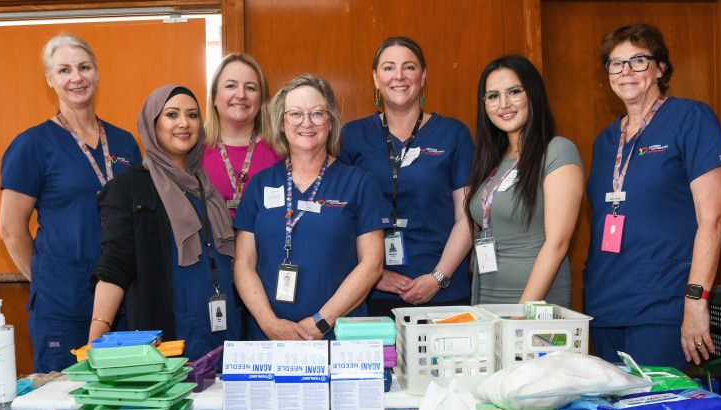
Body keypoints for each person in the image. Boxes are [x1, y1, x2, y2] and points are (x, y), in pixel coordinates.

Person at [584, 23, 721, 369]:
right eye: (615, 62)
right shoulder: (606, 140)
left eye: (638, 60)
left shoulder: (690, 119)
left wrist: (696, 301)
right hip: (606, 304)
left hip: (662, 304)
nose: (626, 71)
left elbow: (715, 219)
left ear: (660, 68)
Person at [0, 33, 141, 373]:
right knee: (64, 404)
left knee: (124, 401)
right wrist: (49, 281)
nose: (76, 77)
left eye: (84, 67)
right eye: (64, 70)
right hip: (63, 307)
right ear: (50, 79)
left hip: (122, 301)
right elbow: (10, 229)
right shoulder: (31, 145)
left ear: (97, 73)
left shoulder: (124, 143)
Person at [89, 85, 241, 360]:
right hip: (168, 340)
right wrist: (96, 336)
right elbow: (114, 266)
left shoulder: (207, 188)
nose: (184, 123)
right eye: (172, 114)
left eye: (193, 115)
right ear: (152, 124)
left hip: (224, 332)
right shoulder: (130, 188)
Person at [234, 74, 390, 341]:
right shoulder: (260, 184)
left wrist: (321, 321)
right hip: (268, 337)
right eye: (295, 114)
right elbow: (244, 264)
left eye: (317, 113)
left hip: (337, 334)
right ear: (282, 123)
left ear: (330, 122)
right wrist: (270, 324)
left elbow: (372, 265)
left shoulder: (359, 183)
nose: (306, 123)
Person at [341, 36, 473, 315]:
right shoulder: (352, 135)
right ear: (376, 79)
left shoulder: (454, 134)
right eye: (388, 68)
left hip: (444, 291)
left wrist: (437, 278)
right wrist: (375, 273)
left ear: (423, 76)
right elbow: (342, 217)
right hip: (370, 292)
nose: (399, 76)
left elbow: (467, 217)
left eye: (409, 67)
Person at [465, 55, 584, 307]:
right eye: (493, 96)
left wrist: (521, 314)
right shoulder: (492, 161)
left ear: (533, 94)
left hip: (534, 306)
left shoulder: (557, 151)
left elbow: (558, 244)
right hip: (487, 299)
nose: (504, 104)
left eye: (514, 91)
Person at [202, 54, 282, 217]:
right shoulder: (194, 151)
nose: (241, 95)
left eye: (251, 88)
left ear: (261, 100)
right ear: (215, 97)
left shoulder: (281, 150)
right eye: (231, 86)